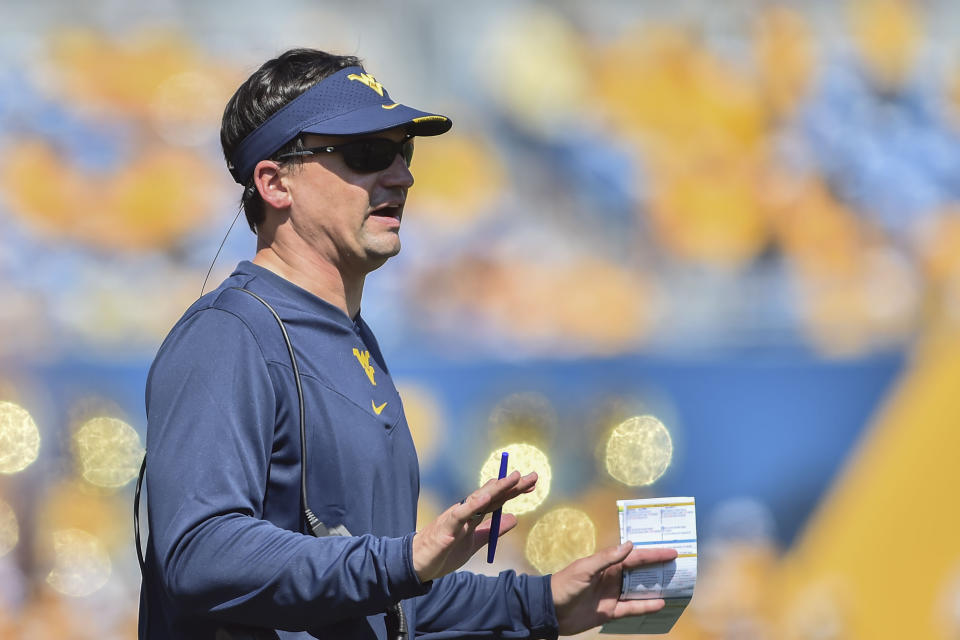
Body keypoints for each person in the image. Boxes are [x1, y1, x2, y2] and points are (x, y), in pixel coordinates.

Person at [140, 48, 676, 639]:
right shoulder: (229, 334)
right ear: (274, 183)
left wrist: (540, 604)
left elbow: (383, 603)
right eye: (366, 154)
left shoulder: (354, 338)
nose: (402, 176)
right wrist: (404, 562)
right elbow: (198, 553)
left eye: (404, 152)